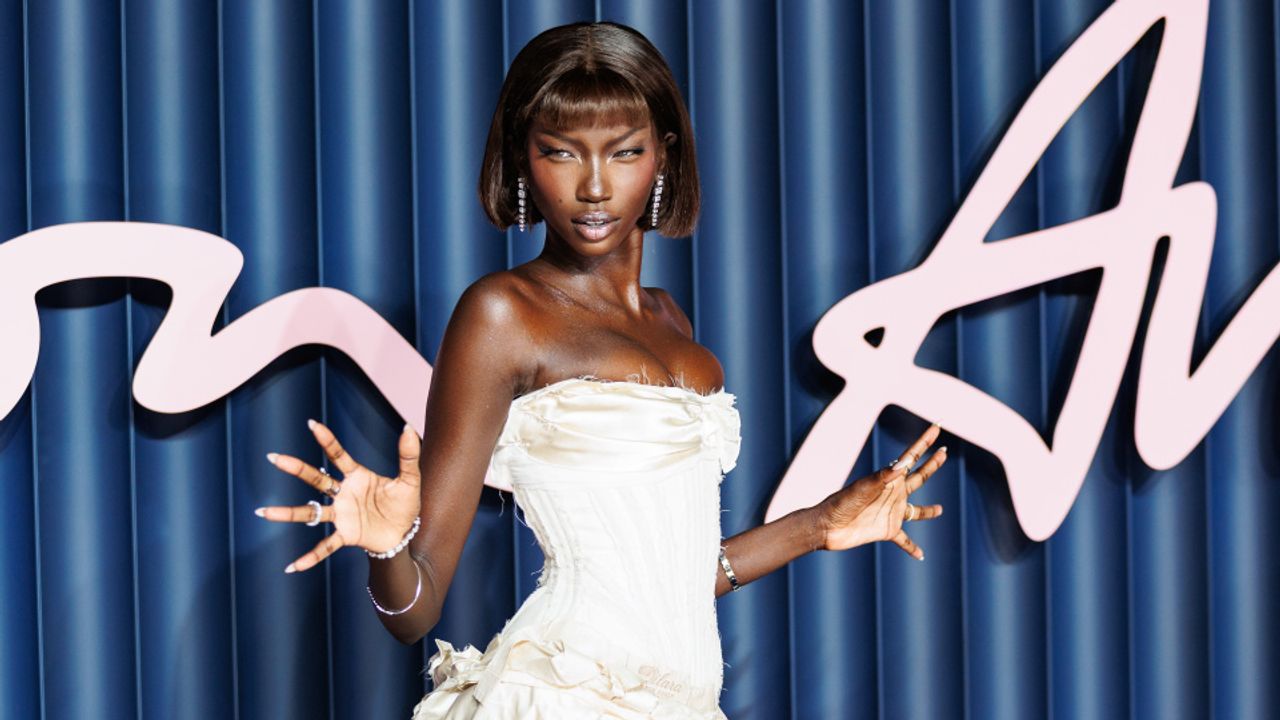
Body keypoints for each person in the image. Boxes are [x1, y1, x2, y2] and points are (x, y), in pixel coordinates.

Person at [256, 20, 947, 719]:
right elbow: (416, 608)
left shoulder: (670, 319)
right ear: (523, 157)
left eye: (624, 152)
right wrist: (389, 548)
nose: (593, 186)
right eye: (561, 152)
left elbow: (666, 585)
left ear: (663, 156)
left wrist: (818, 525)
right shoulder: (502, 314)